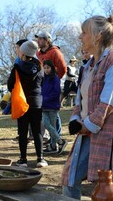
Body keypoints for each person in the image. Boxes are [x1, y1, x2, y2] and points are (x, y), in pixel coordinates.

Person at [61, 14, 113, 200]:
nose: (80, 37)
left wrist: (87, 125)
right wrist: (76, 120)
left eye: (84, 32)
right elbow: (80, 99)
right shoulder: (87, 67)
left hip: (109, 135)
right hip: (87, 132)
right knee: (70, 179)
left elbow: (109, 102)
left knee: (109, 189)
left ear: (97, 36)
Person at [7, 40, 48, 168]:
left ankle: (23, 159)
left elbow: (10, 86)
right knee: (37, 131)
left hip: (22, 102)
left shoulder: (17, 68)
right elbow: (42, 84)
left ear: (23, 53)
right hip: (37, 102)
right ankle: (40, 158)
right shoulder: (40, 68)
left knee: (23, 131)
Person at [36, 30, 67, 137]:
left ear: (47, 40)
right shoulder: (38, 53)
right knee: (45, 111)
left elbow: (63, 68)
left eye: (40, 38)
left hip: (53, 84)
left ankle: (56, 136)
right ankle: (50, 136)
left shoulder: (55, 52)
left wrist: (55, 80)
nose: (38, 41)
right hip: (43, 84)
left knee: (54, 112)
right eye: (38, 38)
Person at [41, 60, 68, 155]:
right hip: (44, 106)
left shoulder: (55, 78)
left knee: (51, 126)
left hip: (52, 106)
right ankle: (60, 142)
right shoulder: (43, 79)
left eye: (48, 67)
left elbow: (56, 92)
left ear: (52, 68)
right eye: (44, 68)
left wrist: (45, 99)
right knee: (47, 124)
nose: (46, 70)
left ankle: (53, 146)